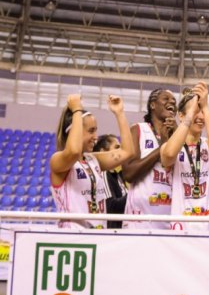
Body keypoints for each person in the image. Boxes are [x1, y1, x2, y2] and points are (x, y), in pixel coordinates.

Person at [50, 94, 134, 228]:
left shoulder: (94, 159)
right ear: (73, 131)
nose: (96, 137)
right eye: (91, 131)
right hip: (71, 238)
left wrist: (119, 113)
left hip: (96, 237)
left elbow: (127, 152)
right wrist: (77, 109)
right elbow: (73, 151)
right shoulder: (57, 159)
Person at [160, 82, 209, 231]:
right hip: (182, 228)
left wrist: (205, 107)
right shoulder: (170, 147)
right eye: (196, 111)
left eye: (201, 111)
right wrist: (190, 115)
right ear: (181, 115)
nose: (200, 116)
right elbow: (168, 155)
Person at [122, 88, 177, 229]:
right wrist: (162, 149)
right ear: (153, 105)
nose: (171, 102)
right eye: (166, 99)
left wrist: (177, 136)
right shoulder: (138, 129)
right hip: (140, 222)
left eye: (174, 101)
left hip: (171, 222)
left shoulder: (178, 136)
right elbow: (128, 173)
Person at [94, 134, 128, 228]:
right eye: (117, 147)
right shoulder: (104, 174)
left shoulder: (118, 174)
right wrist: (134, 194)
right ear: (103, 152)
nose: (120, 151)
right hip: (112, 235)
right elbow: (111, 206)